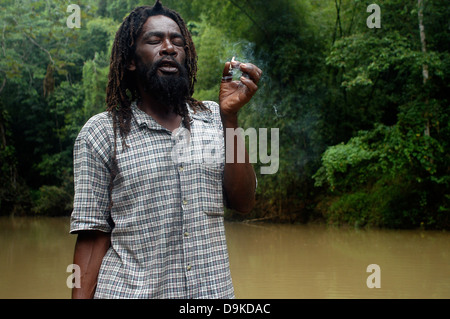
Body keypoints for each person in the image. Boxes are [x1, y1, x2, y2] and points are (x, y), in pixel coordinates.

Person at [70, 0, 262, 299]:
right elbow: (92, 237)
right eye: (154, 40)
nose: (169, 48)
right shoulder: (101, 133)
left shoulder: (214, 119)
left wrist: (231, 118)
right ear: (131, 60)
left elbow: (244, 202)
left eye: (177, 42)